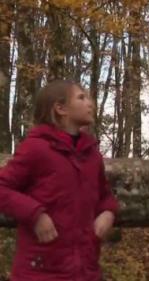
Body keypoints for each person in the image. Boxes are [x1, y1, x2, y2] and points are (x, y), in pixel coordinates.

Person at [0, 80, 119, 280]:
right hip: (41, 270)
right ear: (60, 108)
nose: (90, 103)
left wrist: (108, 212)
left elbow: (104, 194)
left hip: (85, 269)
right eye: (81, 97)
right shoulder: (36, 148)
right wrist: (35, 215)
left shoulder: (91, 155)